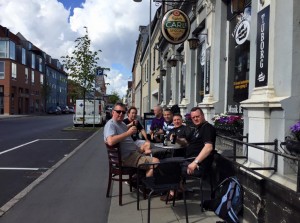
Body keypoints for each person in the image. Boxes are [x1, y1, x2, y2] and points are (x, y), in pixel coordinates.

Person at [161, 107, 216, 201]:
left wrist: (196, 162)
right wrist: (177, 139)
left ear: (203, 115)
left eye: (197, 116)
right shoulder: (196, 129)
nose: (195, 119)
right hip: (187, 159)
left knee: (169, 166)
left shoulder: (207, 128)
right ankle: (180, 189)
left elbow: (208, 147)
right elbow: (185, 142)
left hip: (198, 164)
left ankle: (174, 192)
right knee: (162, 162)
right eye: (193, 117)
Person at [104, 102, 159, 177]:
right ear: (113, 112)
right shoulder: (111, 124)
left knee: (150, 150)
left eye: (123, 112)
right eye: (118, 112)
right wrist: (128, 133)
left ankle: (135, 180)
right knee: (155, 162)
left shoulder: (121, 124)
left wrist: (140, 148)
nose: (121, 114)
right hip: (126, 158)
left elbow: (138, 132)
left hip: (132, 153)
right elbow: (110, 141)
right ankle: (143, 186)